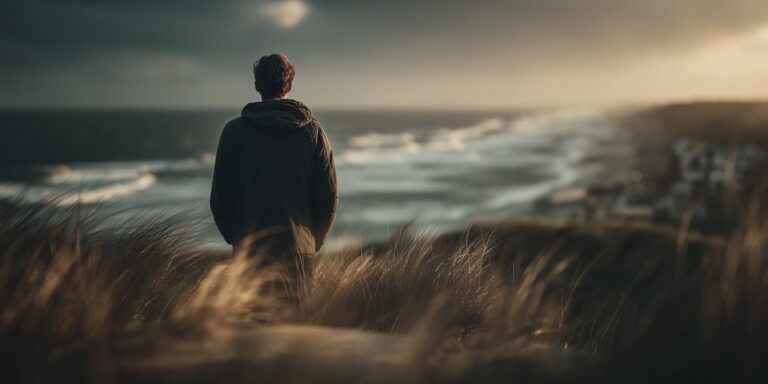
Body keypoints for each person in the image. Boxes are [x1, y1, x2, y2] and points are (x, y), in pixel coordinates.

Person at [210, 53, 338, 283]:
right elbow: (328, 196)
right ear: (289, 84)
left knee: (251, 319)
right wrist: (313, 240)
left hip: (249, 250)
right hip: (299, 249)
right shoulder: (314, 133)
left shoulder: (233, 132)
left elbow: (220, 197)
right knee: (297, 318)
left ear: (257, 85)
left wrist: (235, 237)